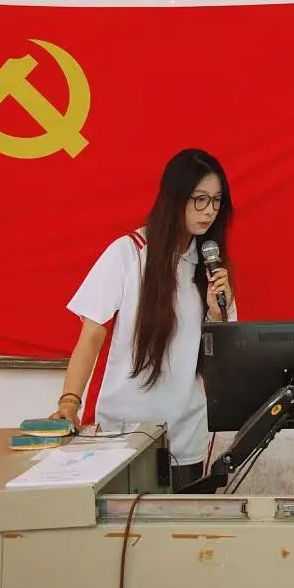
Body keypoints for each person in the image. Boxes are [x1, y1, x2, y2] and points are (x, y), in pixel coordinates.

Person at [50, 148, 236, 490]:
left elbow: (224, 358)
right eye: (200, 199)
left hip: (186, 436)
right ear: (174, 197)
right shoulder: (128, 253)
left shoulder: (211, 270)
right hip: (123, 432)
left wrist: (216, 314)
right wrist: (69, 402)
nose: (209, 211)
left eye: (216, 201)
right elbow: (91, 335)